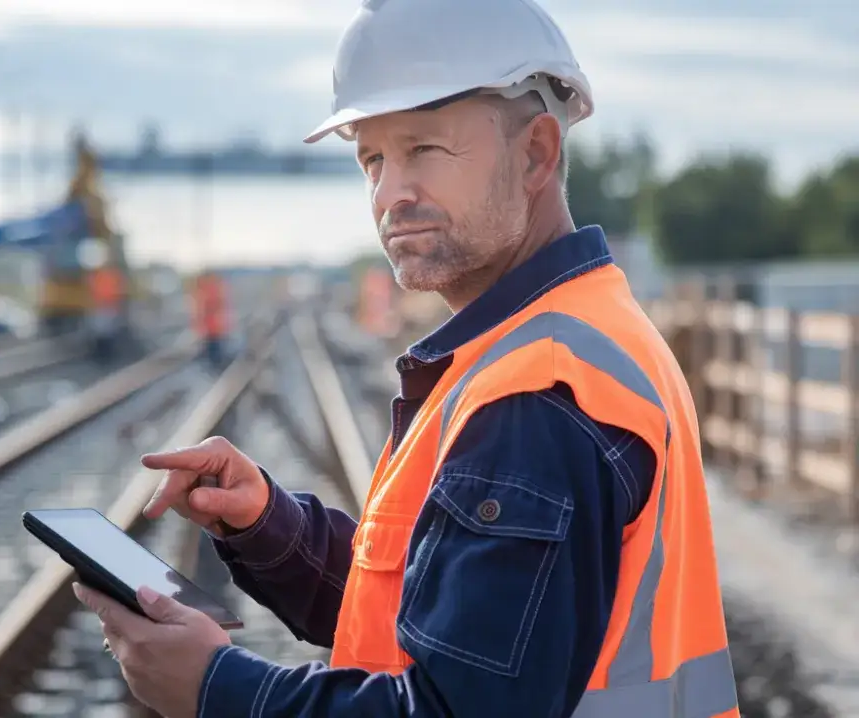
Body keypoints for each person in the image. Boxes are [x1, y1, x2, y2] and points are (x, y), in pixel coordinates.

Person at [71, 1, 739, 716]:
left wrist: (219, 690)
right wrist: (270, 527)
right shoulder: (574, 333)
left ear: (537, 153)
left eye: (424, 149)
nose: (391, 193)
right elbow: (451, 617)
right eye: (372, 159)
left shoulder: (537, 396)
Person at [193, 271, 229, 368]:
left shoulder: (209, 292)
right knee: (213, 348)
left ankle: (215, 365)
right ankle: (214, 364)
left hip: (213, 328)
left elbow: (207, 310)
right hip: (212, 328)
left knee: (214, 349)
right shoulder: (211, 290)